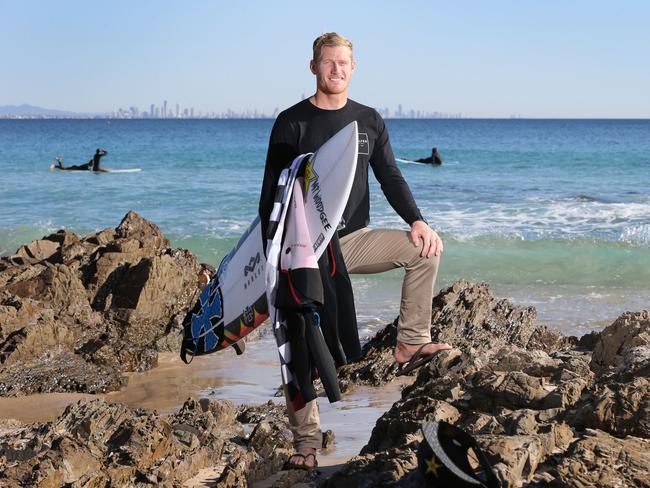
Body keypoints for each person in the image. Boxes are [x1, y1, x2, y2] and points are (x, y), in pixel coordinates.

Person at [258, 32, 451, 470]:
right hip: (305, 249)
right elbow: (271, 192)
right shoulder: (292, 122)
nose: (337, 70)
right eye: (328, 63)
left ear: (354, 67)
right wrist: (276, 256)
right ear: (314, 67)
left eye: (344, 63)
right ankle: (305, 443)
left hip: (352, 241)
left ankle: (411, 342)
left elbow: (390, 176)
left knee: (425, 251)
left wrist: (417, 220)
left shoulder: (369, 120)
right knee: (301, 337)